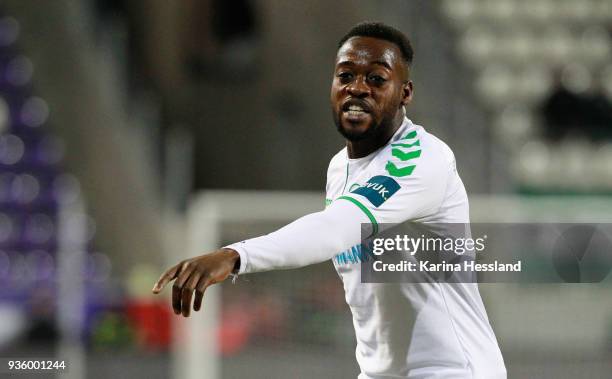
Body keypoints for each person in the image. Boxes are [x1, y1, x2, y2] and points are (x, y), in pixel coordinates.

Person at [153, 22, 507, 379]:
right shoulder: (340, 167)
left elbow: (334, 228)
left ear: (405, 93)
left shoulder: (420, 160)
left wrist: (236, 255)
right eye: (346, 75)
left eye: (377, 79)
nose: (357, 88)